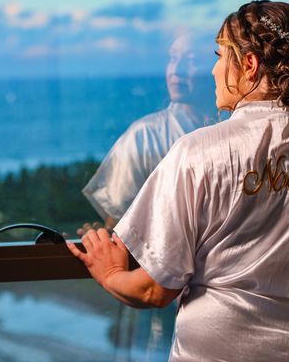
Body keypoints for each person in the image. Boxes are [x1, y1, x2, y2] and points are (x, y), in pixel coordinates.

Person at [67, 0, 289, 361]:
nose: (215, 70)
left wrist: (109, 272)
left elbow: (153, 290)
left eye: (220, 56)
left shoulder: (196, 154)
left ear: (248, 66)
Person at [80, 31, 215, 361]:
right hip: (157, 297)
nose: (177, 70)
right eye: (172, 58)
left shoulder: (231, 135)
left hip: (215, 301)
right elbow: (118, 228)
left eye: (192, 60)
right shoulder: (143, 137)